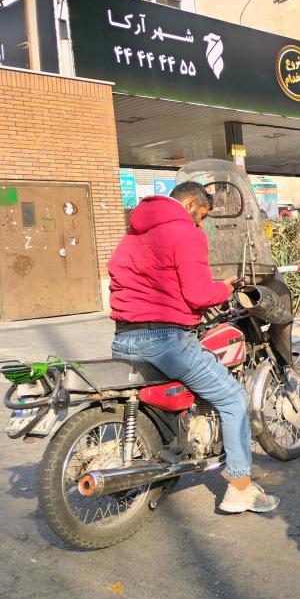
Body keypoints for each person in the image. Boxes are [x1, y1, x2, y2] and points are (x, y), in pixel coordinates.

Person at [107, 182, 279, 514]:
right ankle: (240, 488)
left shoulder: (133, 233)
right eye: (202, 215)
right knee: (233, 397)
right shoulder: (185, 232)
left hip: (124, 337)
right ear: (189, 205)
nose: (201, 223)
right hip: (166, 340)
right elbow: (199, 294)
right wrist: (224, 288)